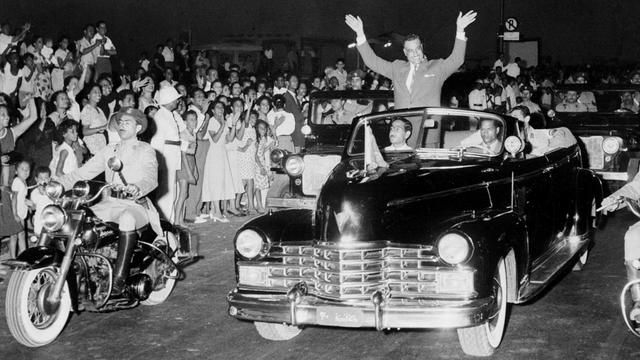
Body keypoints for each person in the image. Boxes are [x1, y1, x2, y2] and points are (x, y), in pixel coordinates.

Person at [57, 107, 160, 295]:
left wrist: (138, 187)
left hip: (135, 204)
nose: (121, 125)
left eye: (127, 122)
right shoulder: (109, 150)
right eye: (120, 122)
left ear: (138, 128)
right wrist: (57, 184)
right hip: (109, 203)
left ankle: (119, 280)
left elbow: (151, 178)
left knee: (128, 219)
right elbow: (82, 173)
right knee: (82, 220)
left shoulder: (146, 150)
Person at [345, 10, 477, 108]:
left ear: (422, 48)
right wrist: (360, 34)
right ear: (405, 53)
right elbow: (372, 61)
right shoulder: (397, 68)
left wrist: (460, 30)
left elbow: (457, 59)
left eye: (417, 49)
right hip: (401, 128)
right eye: (410, 51)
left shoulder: (437, 67)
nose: (415, 54)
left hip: (427, 130)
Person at [150, 86, 184, 223]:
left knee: (173, 192)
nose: (177, 102)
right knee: (166, 194)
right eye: (175, 99)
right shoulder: (160, 117)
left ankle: (170, 222)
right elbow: (157, 142)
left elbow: (174, 139)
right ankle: (164, 224)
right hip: (166, 159)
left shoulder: (169, 115)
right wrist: (158, 164)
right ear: (169, 100)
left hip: (173, 156)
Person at [201, 101, 234, 223]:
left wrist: (233, 125)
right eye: (218, 107)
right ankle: (217, 213)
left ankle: (215, 211)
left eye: (222, 107)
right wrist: (222, 125)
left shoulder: (223, 122)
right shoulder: (212, 122)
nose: (221, 109)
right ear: (213, 110)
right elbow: (214, 139)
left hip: (222, 153)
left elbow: (229, 139)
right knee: (215, 182)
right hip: (214, 154)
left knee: (221, 182)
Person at [174, 110, 198, 226]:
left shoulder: (193, 133)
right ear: (185, 121)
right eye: (191, 119)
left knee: (185, 194)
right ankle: (176, 221)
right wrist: (189, 174)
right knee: (183, 193)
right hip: (184, 164)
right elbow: (183, 154)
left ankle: (180, 219)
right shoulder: (183, 134)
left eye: (195, 119)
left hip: (190, 161)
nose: (194, 122)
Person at [10, 160, 32, 259]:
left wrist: (28, 206)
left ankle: (24, 256)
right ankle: (13, 258)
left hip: (22, 213)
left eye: (27, 169)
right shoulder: (17, 181)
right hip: (17, 214)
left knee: (22, 235)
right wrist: (15, 214)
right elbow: (14, 198)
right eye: (22, 169)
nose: (25, 171)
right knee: (15, 236)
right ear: (16, 171)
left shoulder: (23, 181)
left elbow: (21, 198)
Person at [80, 84, 108, 155]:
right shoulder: (87, 109)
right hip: (92, 143)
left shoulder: (99, 109)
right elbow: (85, 131)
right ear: (88, 95)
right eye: (95, 92)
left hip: (101, 142)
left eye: (99, 92)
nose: (98, 94)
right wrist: (100, 128)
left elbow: (106, 126)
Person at [254, 119, 274, 213]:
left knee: (260, 186)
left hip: (262, 163)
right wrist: (261, 167)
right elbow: (256, 155)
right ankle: (258, 206)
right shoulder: (257, 140)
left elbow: (262, 151)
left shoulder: (263, 139)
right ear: (257, 129)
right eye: (261, 128)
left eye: (264, 128)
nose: (263, 130)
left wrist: (268, 147)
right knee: (257, 186)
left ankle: (258, 205)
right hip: (258, 164)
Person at [29, 166, 53, 239]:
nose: (43, 180)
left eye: (45, 178)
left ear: (49, 179)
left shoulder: (53, 190)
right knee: (40, 241)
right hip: (39, 221)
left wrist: (44, 193)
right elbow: (33, 208)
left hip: (51, 220)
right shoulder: (34, 192)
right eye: (41, 178)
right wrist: (30, 205)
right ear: (36, 179)